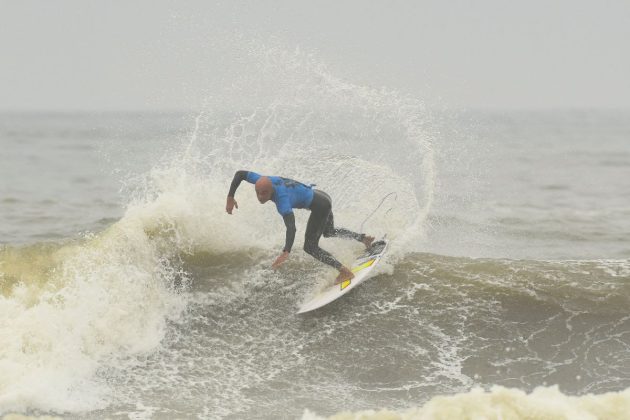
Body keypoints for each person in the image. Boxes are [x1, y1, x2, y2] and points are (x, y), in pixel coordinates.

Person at [226, 170, 374, 284]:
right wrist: (230, 197)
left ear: (271, 190)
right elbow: (240, 174)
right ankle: (364, 239)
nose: (260, 197)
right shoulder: (262, 180)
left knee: (310, 247)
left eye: (264, 193)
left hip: (320, 206)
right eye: (258, 193)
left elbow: (291, 228)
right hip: (322, 196)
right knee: (329, 232)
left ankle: (344, 272)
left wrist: (286, 251)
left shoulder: (282, 201)